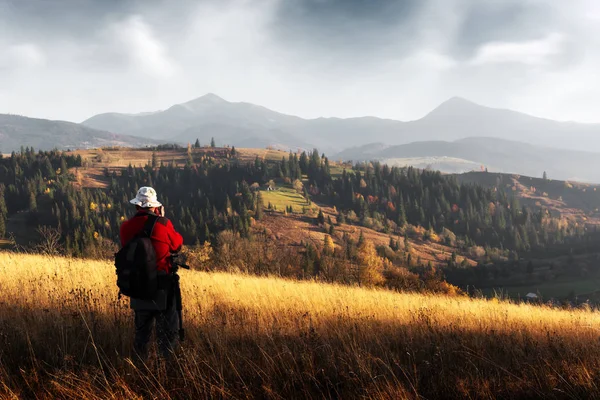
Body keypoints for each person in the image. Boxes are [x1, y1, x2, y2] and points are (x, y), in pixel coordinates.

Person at [119, 186, 184, 359]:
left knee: (142, 336)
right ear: (155, 207)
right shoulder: (163, 224)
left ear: (137, 206)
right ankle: (167, 372)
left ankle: (139, 373)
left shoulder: (126, 227)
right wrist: (162, 218)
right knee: (168, 336)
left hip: (138, 287)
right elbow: (177, 245)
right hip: (163, 285)